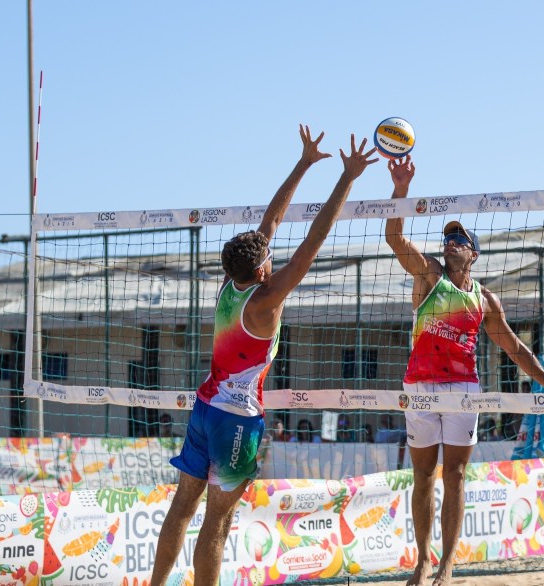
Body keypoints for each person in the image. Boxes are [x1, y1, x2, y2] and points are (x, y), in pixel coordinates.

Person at [150, 127, 377, 586]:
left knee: (181, 508)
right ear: (261, 269)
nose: (272, 254)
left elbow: (270, 222)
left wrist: (304, 163)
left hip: (205, 407)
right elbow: (313, 240)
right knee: (216, 523)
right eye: (268, 256)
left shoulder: (229, 286)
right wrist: (347, 177)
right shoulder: (266, 299)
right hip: (236, 419)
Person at [384, 155, 544, 586]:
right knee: (423, 476)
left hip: (463, 389)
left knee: (456, 476)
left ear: (474, 254)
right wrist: (401, 189)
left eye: (459, 239)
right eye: (448, 237)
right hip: (420, 385)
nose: (451, 242)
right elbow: (394, 237)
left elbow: (515, 349)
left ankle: (447, 563)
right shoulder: (429, 274)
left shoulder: (483, 299)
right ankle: (422, 561)